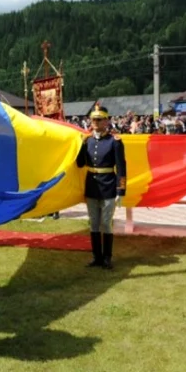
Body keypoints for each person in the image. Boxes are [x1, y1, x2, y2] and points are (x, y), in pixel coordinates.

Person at [76, 104, 127, 270]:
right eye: (93, 119)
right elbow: (80, 164)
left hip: (108, 187)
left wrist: (121, 190)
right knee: (94, 223)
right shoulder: (88, 141)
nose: (96, 122)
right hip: (91, 187)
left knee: (106, 223)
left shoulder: (115, 142)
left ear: (107, 121)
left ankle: (107, 257)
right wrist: (79, 146)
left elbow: (121, 168)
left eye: (99, 119)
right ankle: (96, 257)